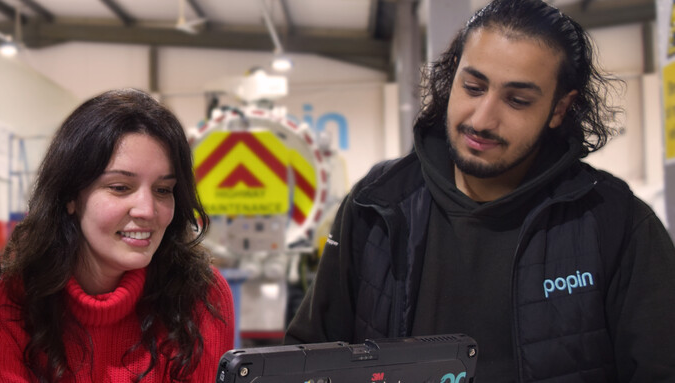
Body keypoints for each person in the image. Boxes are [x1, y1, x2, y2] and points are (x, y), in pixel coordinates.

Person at [285, 0, 675, 381]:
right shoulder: (378, 203)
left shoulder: (616, 221)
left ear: (560, 108)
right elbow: (311, 355)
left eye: (517, 100)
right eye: (473, 87)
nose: (483, 118)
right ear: (452, 74)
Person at [0, 89, 235, 382]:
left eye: (163, 190)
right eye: (120, 187)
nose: (147, 210)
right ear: (70, 196)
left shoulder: (202, 296)